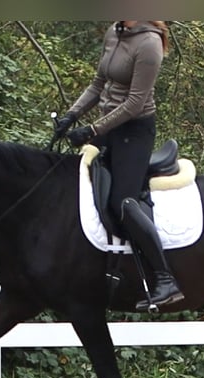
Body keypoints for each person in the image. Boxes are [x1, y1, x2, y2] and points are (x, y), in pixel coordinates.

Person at [53, 20, 184, 311]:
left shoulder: (149, 43)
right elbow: (99, 84)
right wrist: (71, 116)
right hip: (108, 127)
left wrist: (92, 130)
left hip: (134, 132)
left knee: (121, 201)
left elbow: (136, 102)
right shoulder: (115, 31)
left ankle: (165, 279)